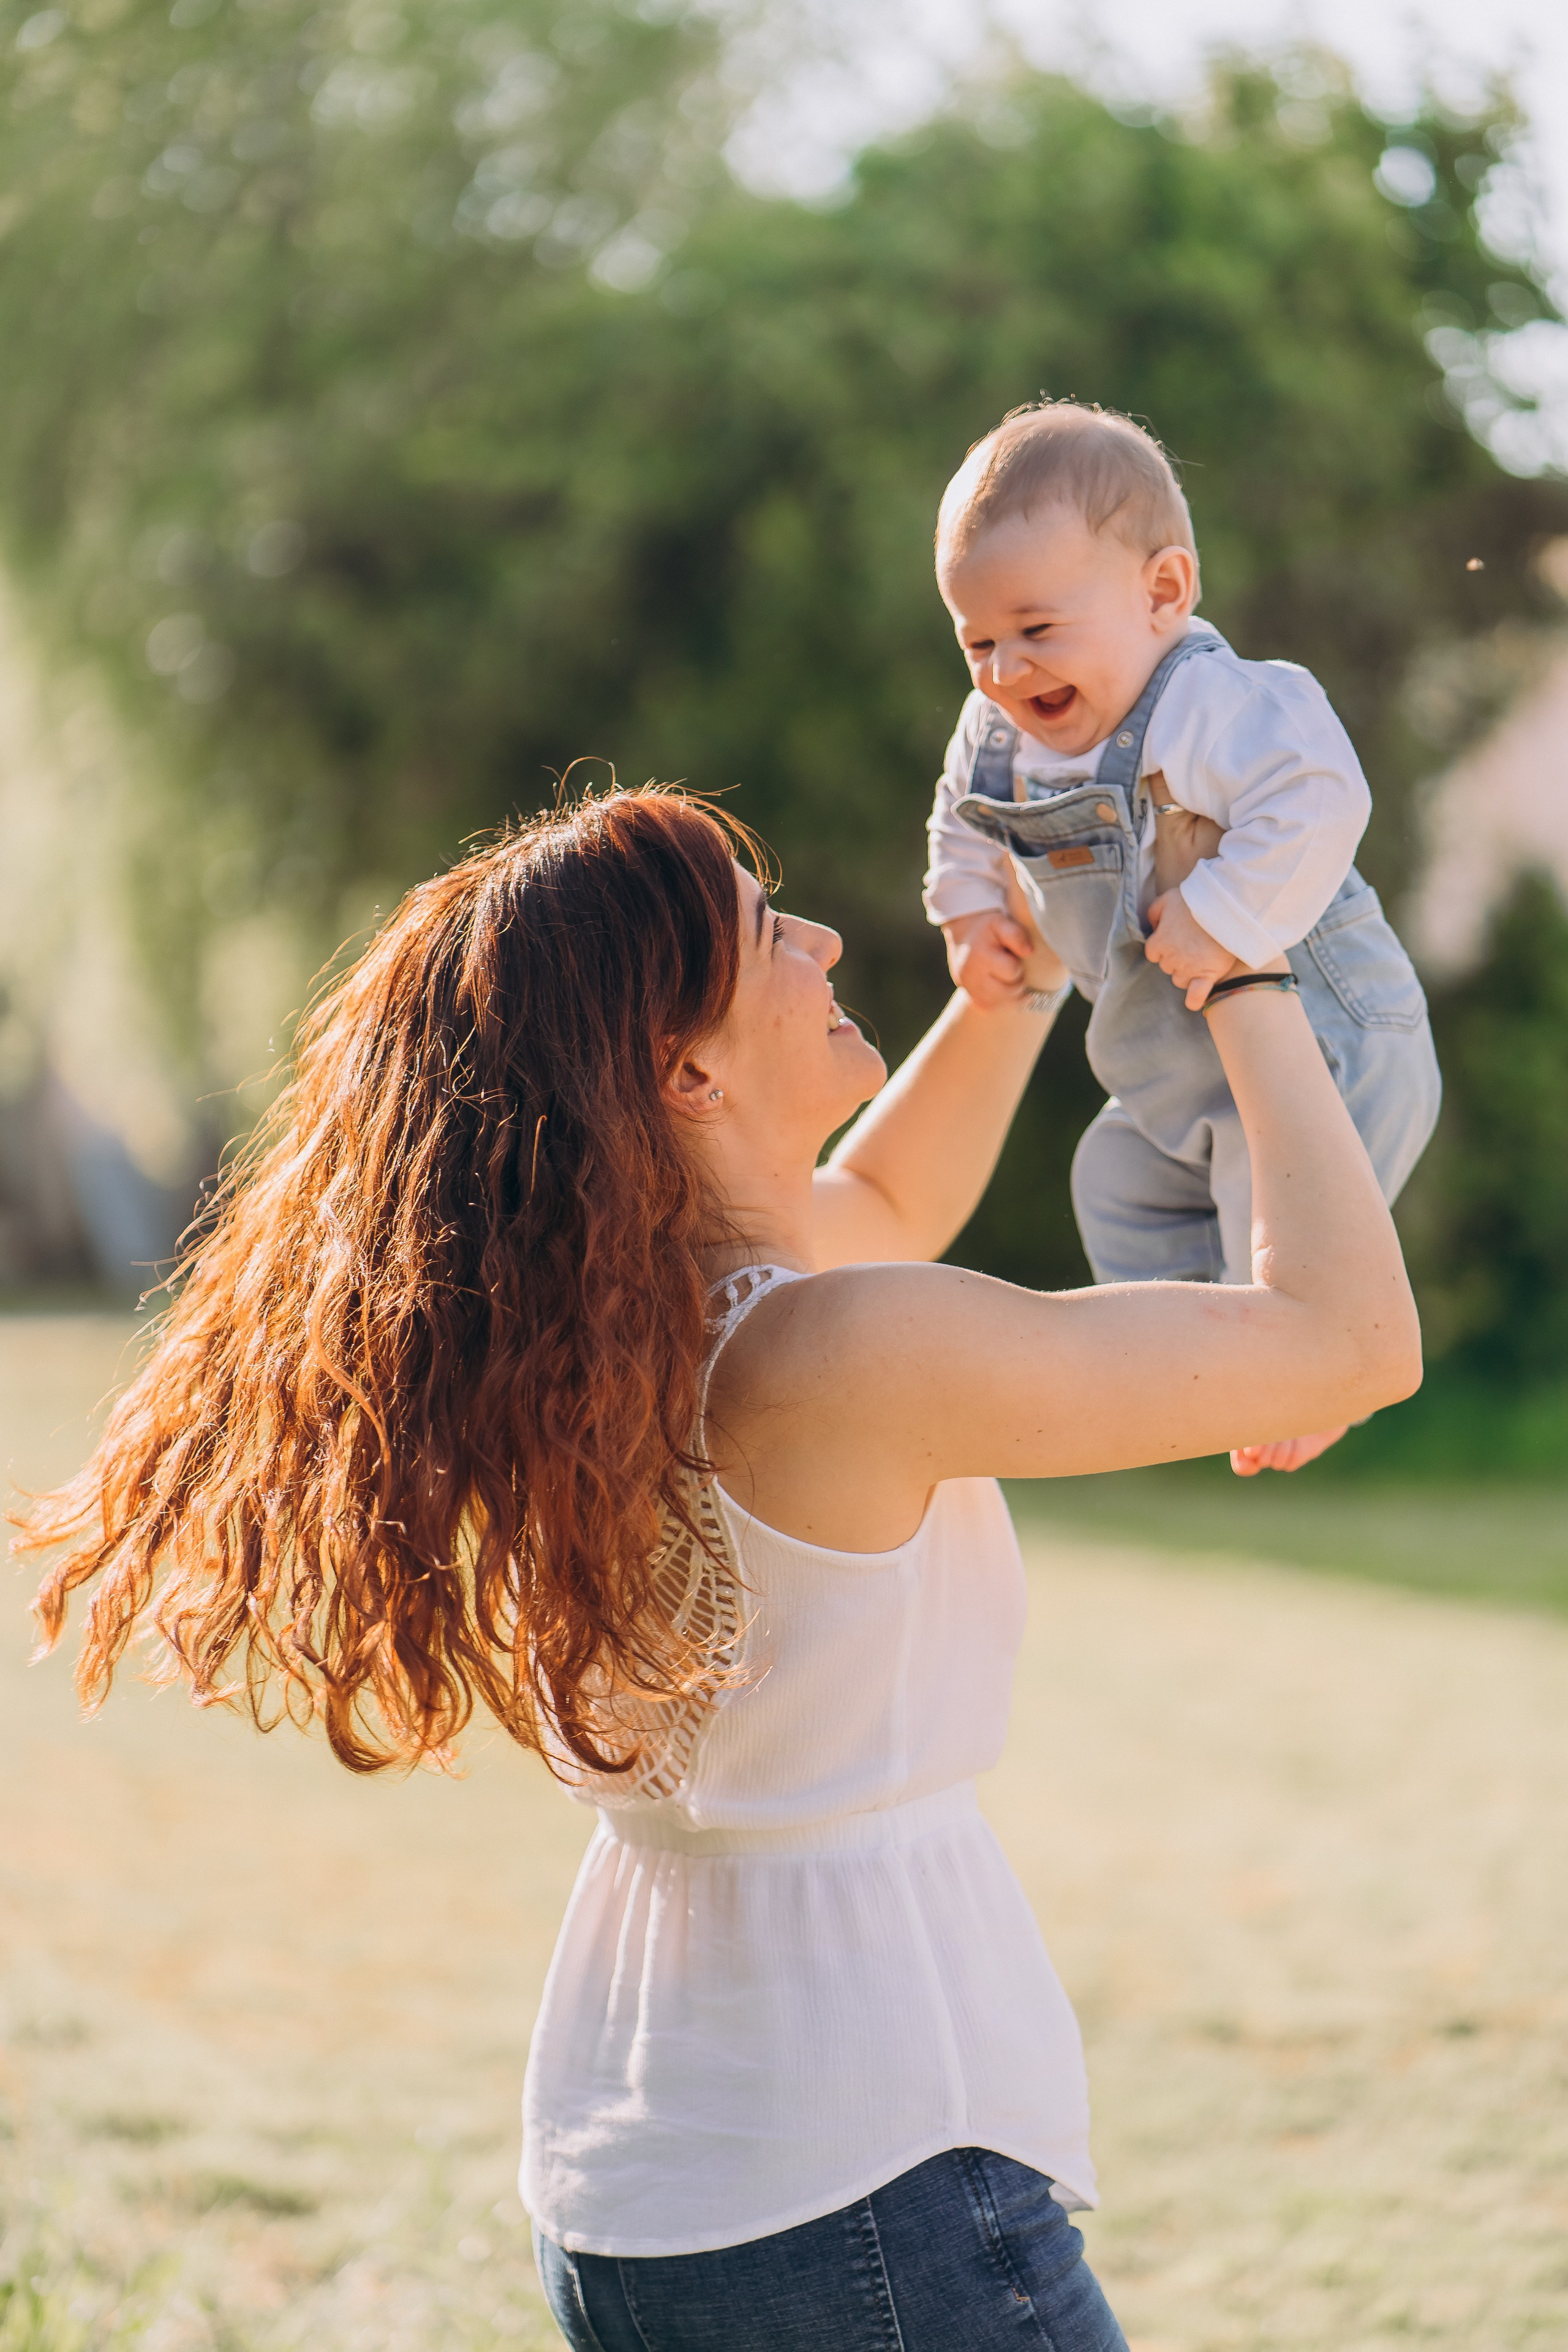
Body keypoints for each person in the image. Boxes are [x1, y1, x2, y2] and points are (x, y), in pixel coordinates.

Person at [21, 790, 1421, 2352]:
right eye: (766, 930)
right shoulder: (833, 1355)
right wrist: (1241, 963)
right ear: (684, 1071)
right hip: (865, 2187)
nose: (820, 938)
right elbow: (1350, 1346)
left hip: (653, 2183)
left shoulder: (615, 1330)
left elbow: (880, 1207)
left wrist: (1013, 979)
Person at [924, 400, 1441, 1474]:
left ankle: (1312, 1372)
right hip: (1166, 1064)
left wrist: (1228, 916)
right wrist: (972, 909)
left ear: (1163, 592)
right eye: (977, 641)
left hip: (1327, 1045)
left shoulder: (1203, 698)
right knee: (1109, 1179)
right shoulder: (999, 731)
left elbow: (1320, 791)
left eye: (1037, 628)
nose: (1006, 671)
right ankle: (1193, 1378)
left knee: (1274, 1219)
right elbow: (960, 815)